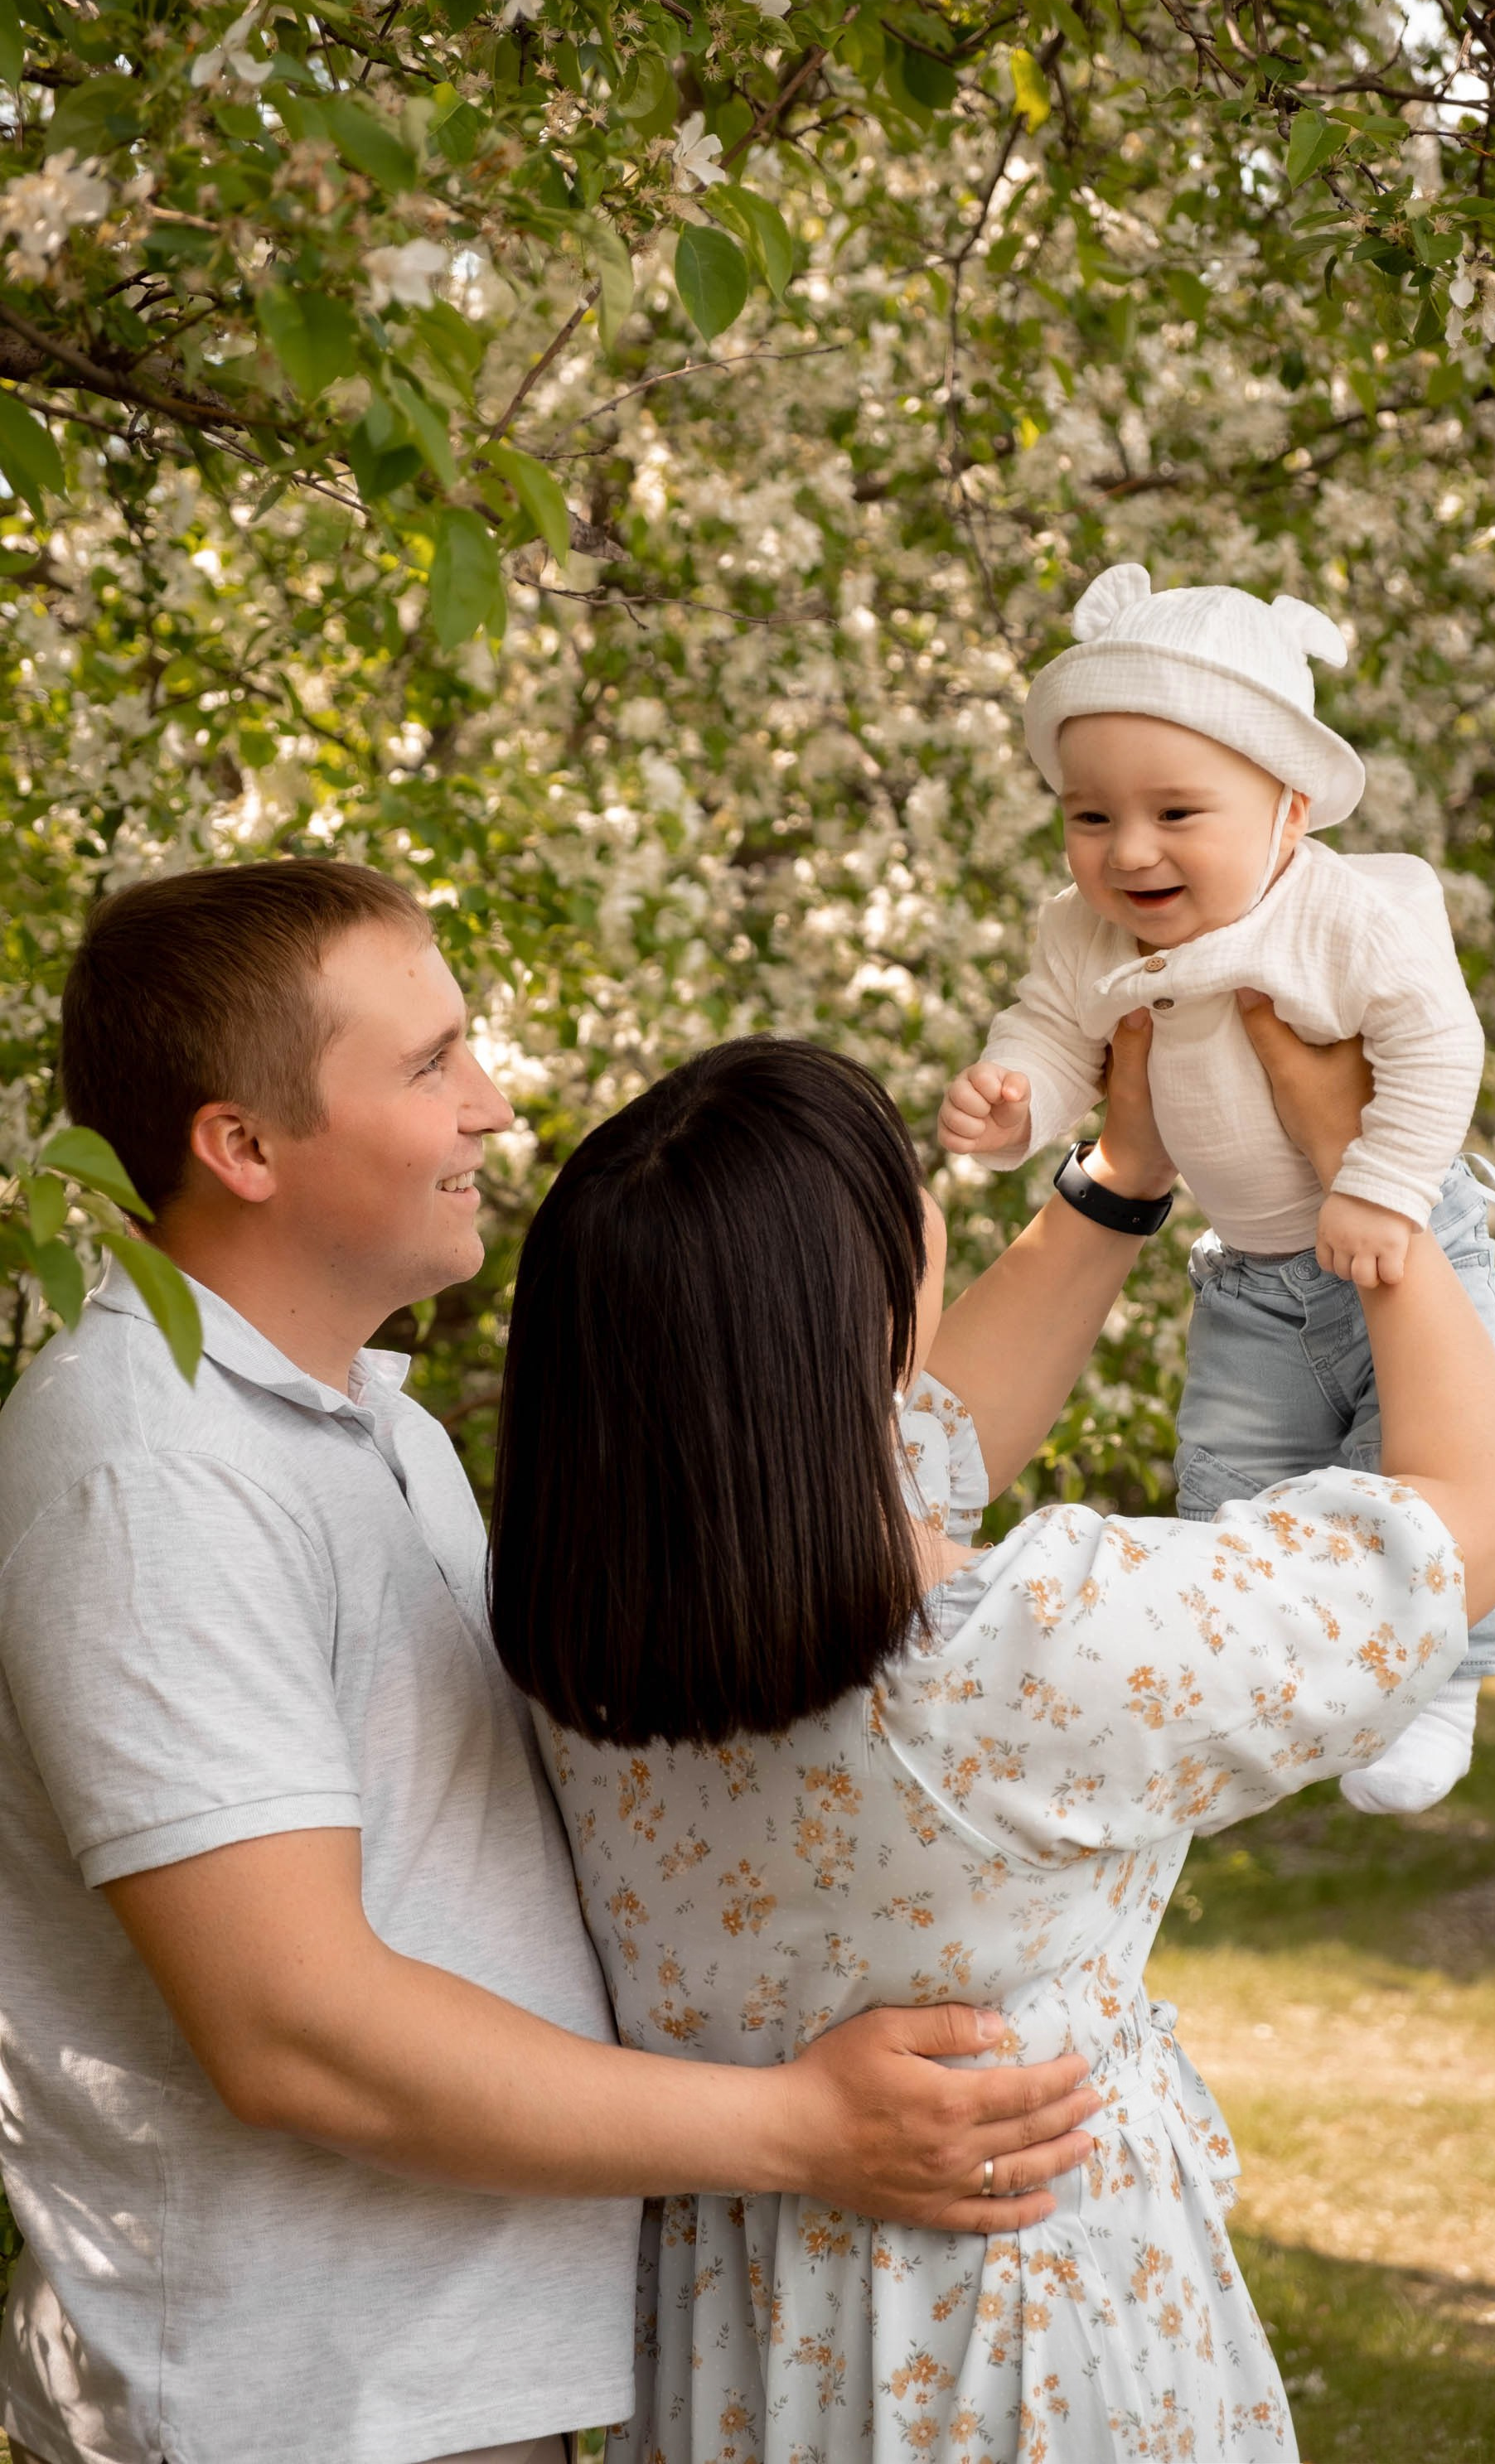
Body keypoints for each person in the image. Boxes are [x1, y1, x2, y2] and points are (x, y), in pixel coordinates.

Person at [0, 862, 1107, 2464]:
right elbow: (292, 2025)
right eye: (429, 1064)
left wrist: (1115, 1192)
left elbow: (845, 1487)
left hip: (439, 2381)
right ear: (240, 1146)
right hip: (305, 2410)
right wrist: (800, 2128)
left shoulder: (359, 1427)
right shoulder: (153, 1470)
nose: (494, 1106)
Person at [487, 1017, 1495, 2462]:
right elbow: (1479, 1524)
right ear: (863, 1311)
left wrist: (1122, 1177)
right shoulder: (1025, 1653)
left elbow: (913, 1438)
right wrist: (1385, 1178)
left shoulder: (590, 1641)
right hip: (1017, 2343)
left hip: (742, 2343)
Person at [937, 560, 1495, 1817]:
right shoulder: (1082, 934)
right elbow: (1053, 1029)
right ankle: (1282, 1696)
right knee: (1230, 1485)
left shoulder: (1346, 916)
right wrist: (1017, 1096)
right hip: (1251, 1277)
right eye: (1091, 817)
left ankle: (1444, 1680)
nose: (1129, 851)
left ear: (1288, 814)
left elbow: (1438, 1045)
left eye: (1176, 812)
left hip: (1396, 1227)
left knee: (1416, 1463)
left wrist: (1380, 1184)